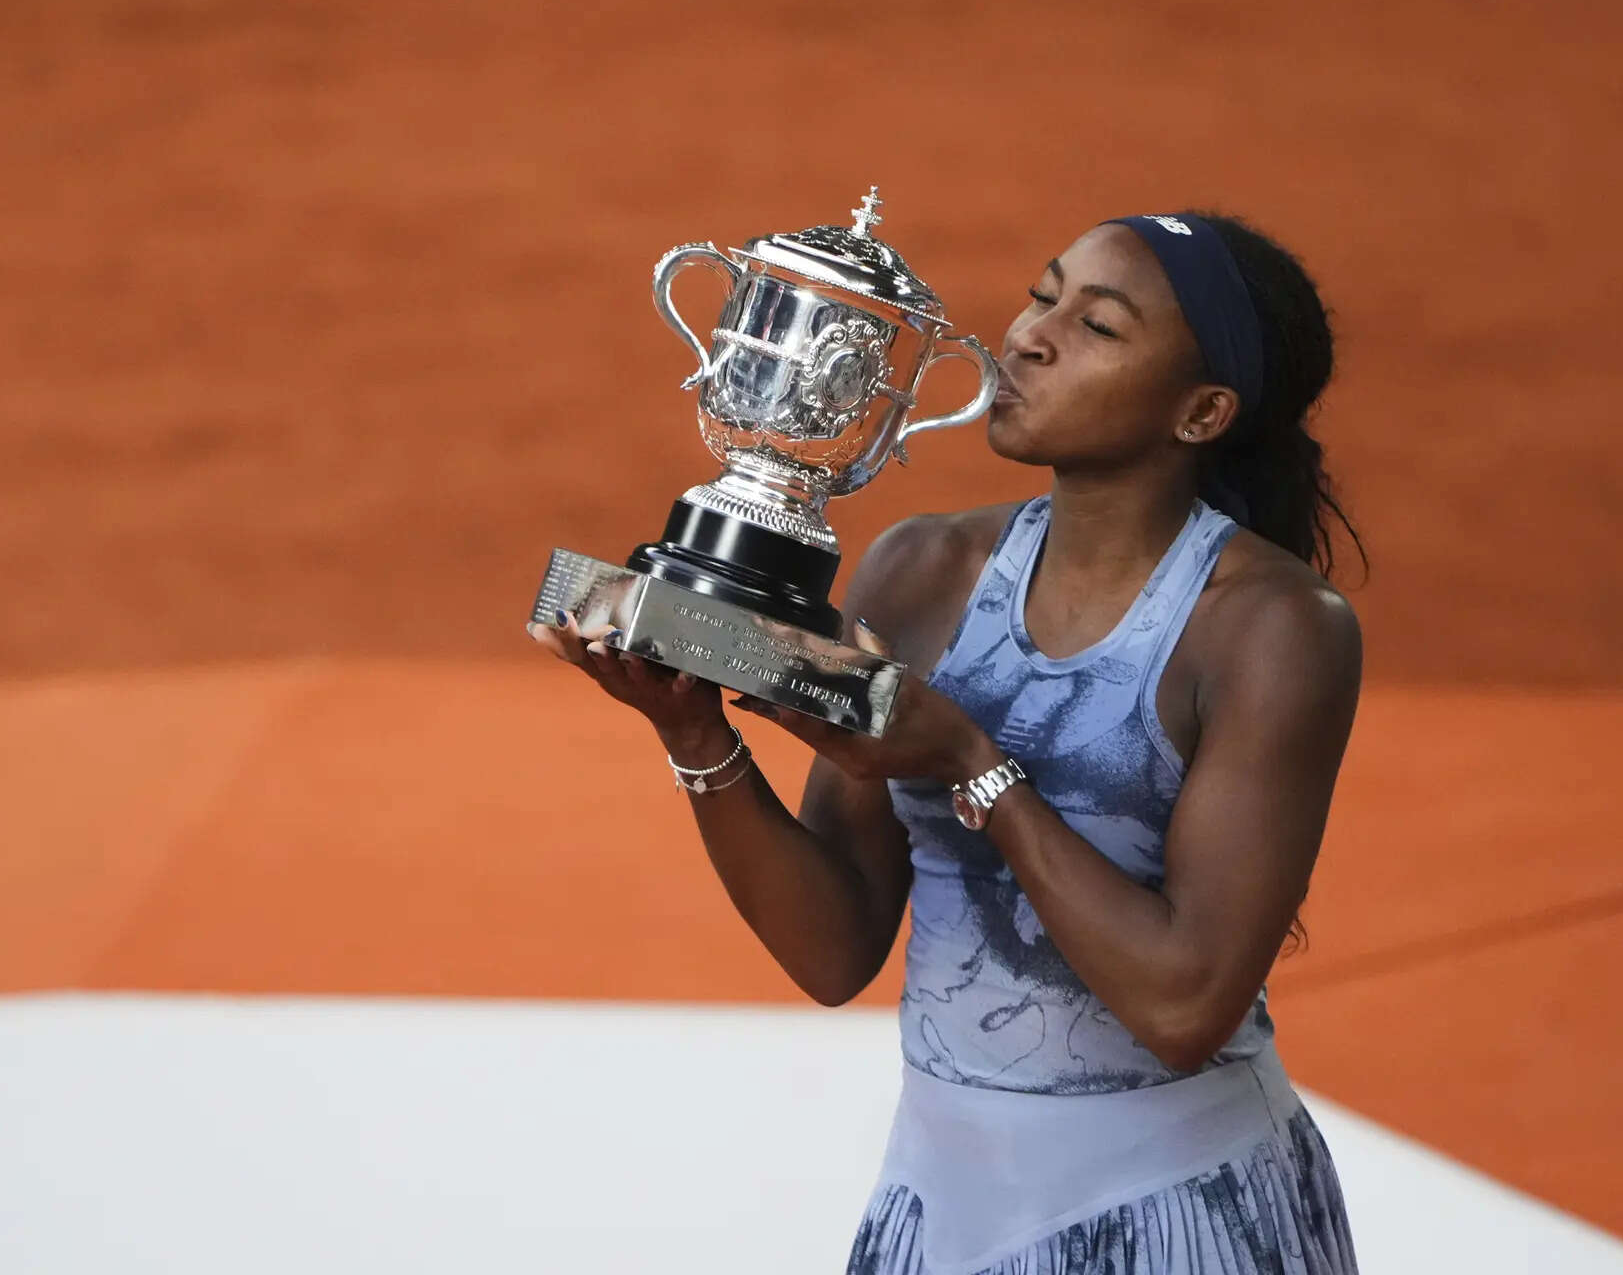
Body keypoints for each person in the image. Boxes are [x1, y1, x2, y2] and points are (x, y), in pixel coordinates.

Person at [527, 210, 1363, 1274]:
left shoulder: (1271, 624)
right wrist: (696, 736)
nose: (1027, 335)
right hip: (937, 1203)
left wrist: (969, 759)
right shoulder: (923, 570)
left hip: (1181, 1209)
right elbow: (834, 948)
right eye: (1041, 291)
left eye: (1097, 326)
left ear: (1201, 411)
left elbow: (1184, 1003)